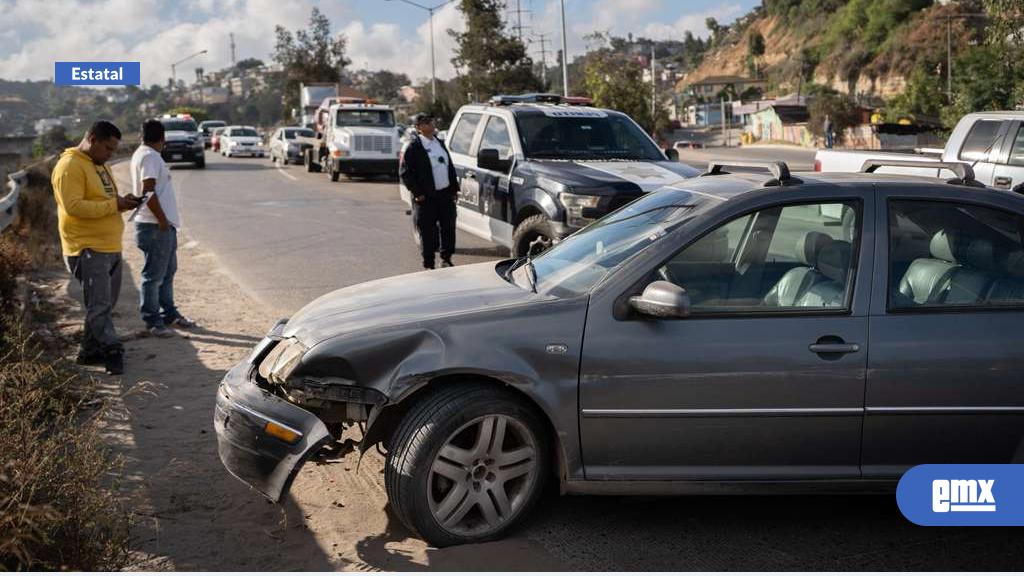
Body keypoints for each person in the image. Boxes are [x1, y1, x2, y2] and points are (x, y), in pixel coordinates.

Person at [52, 120, 139, 375]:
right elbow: (74, 207)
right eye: (108, 149)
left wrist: (123, 202)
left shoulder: (98, 164)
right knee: (100, 305)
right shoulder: (69, 166)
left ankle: (88, 352)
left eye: (114, 150)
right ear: (92, 139)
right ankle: (112, 351)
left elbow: (106, 199)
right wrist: (114, 205)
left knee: (102, 305)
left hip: (109, 246)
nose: (111, 154)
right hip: (87, 248)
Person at [131, 119, 196, 338]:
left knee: (167, 273)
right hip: (154, 226)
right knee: (154, 276)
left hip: (159, 226)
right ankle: (152, 320)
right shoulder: (150, 156)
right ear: (162, 139)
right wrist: (161, 220)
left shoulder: (144, 154)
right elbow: (148, 191)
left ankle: (169, 314)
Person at [400, 113, 459, 269]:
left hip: (444, 194)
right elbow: (406, 173)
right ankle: (428, 263)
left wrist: (454, 189)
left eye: (431, 121)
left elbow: (449, 167)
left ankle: (446, 258)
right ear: (418, 127)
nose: (431, 124)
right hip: (426, 197)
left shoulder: (439, 143)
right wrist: (418, 194)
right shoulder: (414, 148)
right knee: (428, 231)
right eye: (426, 122)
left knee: (448, 227)